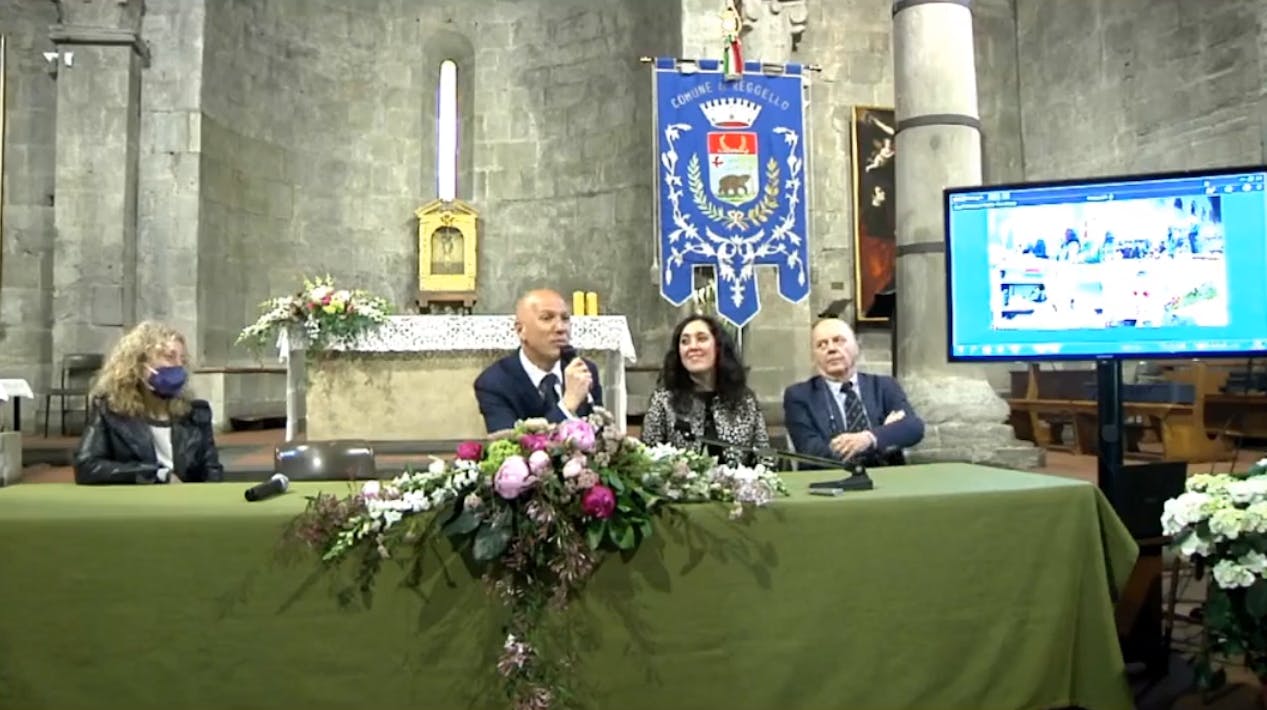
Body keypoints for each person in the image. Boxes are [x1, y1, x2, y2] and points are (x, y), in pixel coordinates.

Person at [74, 321, 224, 484]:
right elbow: (87, 466)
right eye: (169, 357)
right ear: (138, 365)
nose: (179, 367)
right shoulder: (110, 411)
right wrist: (157, 475)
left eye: (182, 360)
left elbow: (212, 472)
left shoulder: (196, 414)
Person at [782, 317, 923, 468]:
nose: (831, 349)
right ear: (814, 356)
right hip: (831, 483)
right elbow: (811, 452)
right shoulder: (799, 396)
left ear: (856, 346)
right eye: (821, 345)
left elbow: (913, 428)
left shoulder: (884, 386)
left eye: (838, 341)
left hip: (887, 481)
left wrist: (869, 438)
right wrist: (884, 435)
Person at [640, 315, 770, 467]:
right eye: (685, 341)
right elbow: (646, 461)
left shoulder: (745, 400)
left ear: (718, 347)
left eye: (701, 339)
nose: (692, 347)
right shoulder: (663, 399)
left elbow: (765, 457)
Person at [474, 289, 603, 433]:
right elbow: (510, 448)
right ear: (520, 330)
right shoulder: (494, 383)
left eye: (565, 318)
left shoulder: (584, 372)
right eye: (547, 318)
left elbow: (599, 434)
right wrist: (567, 406)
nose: (561, 328)